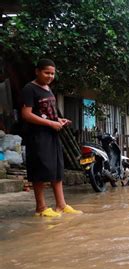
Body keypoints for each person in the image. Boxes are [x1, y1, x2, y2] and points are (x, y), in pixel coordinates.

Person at [21, 58, 82, 217]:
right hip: (37, 136)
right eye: (46, 72)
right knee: (40, 169)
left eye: (53, 74)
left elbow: (47, 111)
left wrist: (58, 120)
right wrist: (49, 123)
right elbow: (26, 114)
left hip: (52, 133)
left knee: (57, 169)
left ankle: (61, 205)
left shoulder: (48, 88)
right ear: (37, 71)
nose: (50, 76)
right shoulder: (29, 89)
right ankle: (40, 208)